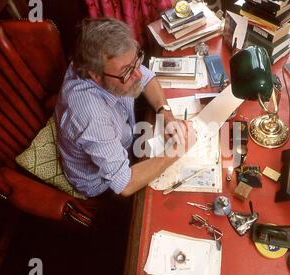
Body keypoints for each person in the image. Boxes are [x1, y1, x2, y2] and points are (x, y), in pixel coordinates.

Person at [55, 18, 195, 198]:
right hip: (103, 186)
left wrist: (165, 113)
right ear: (95, 75)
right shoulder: (91, 114)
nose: (138, 74)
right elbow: (124, 184)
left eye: (137, 60)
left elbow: (146, 77)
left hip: (127, 141)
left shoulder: (113, 63)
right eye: (127, 72)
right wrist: (178, 150)